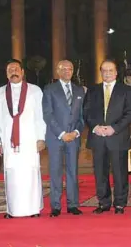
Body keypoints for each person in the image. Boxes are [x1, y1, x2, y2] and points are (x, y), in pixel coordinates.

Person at [0, 59, 46, 218]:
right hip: (9, 141)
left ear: (22, 72)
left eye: (16, 69)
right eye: (10, 70)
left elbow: (40, 116)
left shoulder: (35, 91)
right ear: (6, 73)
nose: (13, 72)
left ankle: (33, 209)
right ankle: (12, 210)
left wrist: (41, 138)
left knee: (30, 172)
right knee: (12, 174)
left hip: (30, 139)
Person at [85, 59, 131, 215]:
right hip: (98, 137)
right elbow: (86, 112)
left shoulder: (126, 90)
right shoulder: (93, 90)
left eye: (110, 70)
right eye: (104, 71)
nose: (107, 73)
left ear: (116, 72)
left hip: (117, 136)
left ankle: (120, 203)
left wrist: (114, 128)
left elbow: (129, 113)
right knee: (100, 172)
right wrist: (95, 127)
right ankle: (103, 202)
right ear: (100, 72)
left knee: (120, 173)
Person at [42, 60, 86, 217]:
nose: (67, 71)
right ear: (58, 71)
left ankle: (73, 204)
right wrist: (62, 133)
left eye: (70, 69)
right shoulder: (49, 89)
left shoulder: (79, 90)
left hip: (74, 137)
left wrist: (75, 132)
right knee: (55, 171)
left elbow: (81, 117)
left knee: (73, 171)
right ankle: (55, 206)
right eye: (64, 69)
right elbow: (48, 114)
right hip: (55, 137)